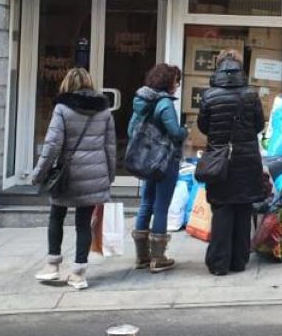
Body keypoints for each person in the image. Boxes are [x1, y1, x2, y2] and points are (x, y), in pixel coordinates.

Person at [29, 68, 116, 290]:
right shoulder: (105, 111)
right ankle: (79, 273)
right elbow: (110, 147)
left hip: (67, 176)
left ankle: (52, 265)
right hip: (94, 174)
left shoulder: (62, 109)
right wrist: (109, 176)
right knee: (83, 223)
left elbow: (52, 146)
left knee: (56, 216)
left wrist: (38, 173)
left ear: (67, 83)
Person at [197, 50, 267, 275]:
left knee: (222, 209)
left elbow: (203, 126)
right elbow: (258, 125)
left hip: (220, 159)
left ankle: (219, 262)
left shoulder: (209, 96)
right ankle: (239, 260)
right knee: (243, 208)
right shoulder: (251, 95)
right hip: (247, 158)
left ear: (218, 68)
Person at [128, 63, 188, 273]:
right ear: (168, 81)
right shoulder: (164, 103)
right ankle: (158, 257)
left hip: (146, 160)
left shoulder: (141, 102)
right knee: (161, 205)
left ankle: (141, 257)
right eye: (176, 81)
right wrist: (184, 131)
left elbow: (130, 130)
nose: (178, 85)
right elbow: (174, 132)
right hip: (164, 161)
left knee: (146, 203)